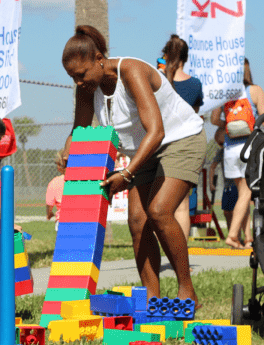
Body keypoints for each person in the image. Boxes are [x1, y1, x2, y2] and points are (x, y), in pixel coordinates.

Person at [59, 25, 206, 306]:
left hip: (181, 140)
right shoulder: (87, 90)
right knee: (138, 222)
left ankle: (187, 291)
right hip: (145, 151)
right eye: (72, 77)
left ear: (99, 59)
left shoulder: (132, 71)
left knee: (159, 211)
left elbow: (157, 131)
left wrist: (125, 174)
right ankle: (152, 299)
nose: (78, 82)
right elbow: (78, 130)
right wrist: (67, 150)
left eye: (81, 74)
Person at [211, 59, 264, 249]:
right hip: (250, 148)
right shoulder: (255, 90)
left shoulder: (225, 94)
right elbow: (263, 119)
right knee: (247, 193)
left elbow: (214, 119)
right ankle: (233, 235)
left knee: (242, 193)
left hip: (230, 149)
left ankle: (248, 238)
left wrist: (229, 125)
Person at [160, 34, 204, 240]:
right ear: (186, 58)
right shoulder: (195, 85)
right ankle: (180, 251)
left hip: (161, 144)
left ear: (166, 55)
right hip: (186, 146)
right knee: (183, 204)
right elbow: (194, 115)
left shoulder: (159, 81)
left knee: (158, 204)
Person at [208, 126, 249, 244]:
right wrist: (211, 183)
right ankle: (234, 233)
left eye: (220, 141)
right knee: (227, 212)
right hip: (227, 186)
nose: (219, 143)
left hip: (238, 184)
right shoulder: (222, 151)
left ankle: (240, 236)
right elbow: (212, 167)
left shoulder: (236, 147)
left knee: (240, 209)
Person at [46, 149, 67, 231]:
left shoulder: (54, 182)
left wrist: (49, 213)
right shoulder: (80, 181)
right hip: (81, 220)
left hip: (62, 220)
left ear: (59, 166)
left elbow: (49, 203)